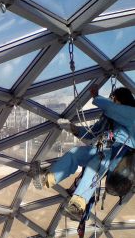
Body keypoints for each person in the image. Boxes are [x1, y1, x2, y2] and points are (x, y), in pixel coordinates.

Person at [33, 85, 135, 221]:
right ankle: (48, 178)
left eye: (114, 100)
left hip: (120, 153)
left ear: (122, 100)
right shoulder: (110, 119)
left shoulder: (132, 113)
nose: (112, 103)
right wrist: (72, 128)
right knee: (76, 153)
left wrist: (95, 96)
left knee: (95, 164)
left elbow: (112, 109)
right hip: (102, 148)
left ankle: (78, 205)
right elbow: (91, 132)